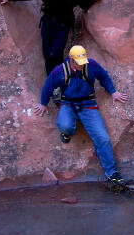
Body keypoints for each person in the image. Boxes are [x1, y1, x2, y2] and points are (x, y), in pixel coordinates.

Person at [34, 45, 128, 189]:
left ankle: (112, 174)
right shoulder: (59, 71)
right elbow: (48, 87)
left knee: (102, 138)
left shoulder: (92, 65)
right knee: (64, 126)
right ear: (71, 60)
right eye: (78, 62)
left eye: (83, 61)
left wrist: (113, 92)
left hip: (88, 104)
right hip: (67, 103)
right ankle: (68, 132)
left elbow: (103, 77)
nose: (81, 65)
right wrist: (43, 103)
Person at [0, 0, 102, 75]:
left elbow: (83, 1)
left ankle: (61, 77)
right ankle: (52, 80)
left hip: (63, 24)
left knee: (55, 53)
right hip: (48, 23)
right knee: (47, 54)